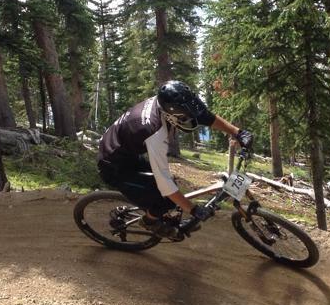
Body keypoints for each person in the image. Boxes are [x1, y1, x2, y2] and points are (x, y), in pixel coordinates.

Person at [97, 81, 253, 238]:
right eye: (185, 117)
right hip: (113, 166)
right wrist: (193, 209)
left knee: (170, 190)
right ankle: (148, 221)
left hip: (124, 151)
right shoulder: (155, 132)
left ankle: (157, 214)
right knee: (165, 199)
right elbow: (164, 184)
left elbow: (205, 116)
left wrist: (238, 132)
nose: (189, 119)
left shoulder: (168, 101)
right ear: (170, 115)